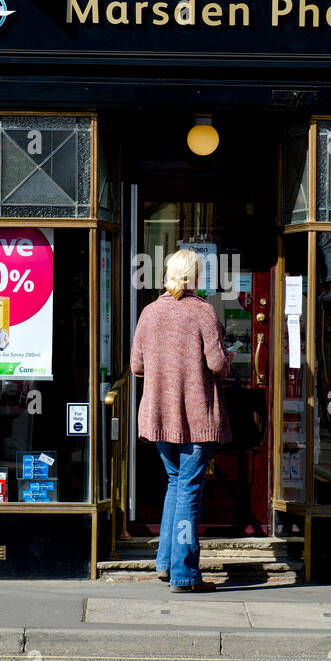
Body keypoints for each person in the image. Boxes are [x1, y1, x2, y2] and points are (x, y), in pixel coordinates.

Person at [130, 249, 231, 592]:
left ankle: (165, 562)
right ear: (194, 277)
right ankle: (185, 574)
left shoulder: (149, 313)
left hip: (159, 414)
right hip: (195, 415)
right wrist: (228, 357)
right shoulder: (203, 311)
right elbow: (217, 364)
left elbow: (136, 366)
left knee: (175, 484)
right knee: (188, 490)